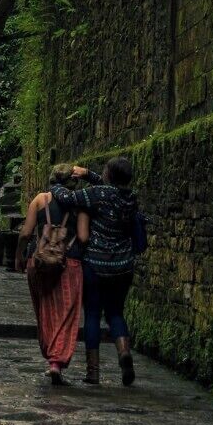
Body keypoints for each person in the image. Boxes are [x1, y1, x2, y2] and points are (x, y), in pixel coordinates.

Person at [49, 157, 139, 386]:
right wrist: (89, 173)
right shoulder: (130, 198)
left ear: (108, 175)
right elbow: (110, 187)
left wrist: (55, 184)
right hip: (123, 265)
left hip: (96, 264)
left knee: (91, 314)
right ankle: (123, 352)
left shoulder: (96, 195)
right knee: (116, 313)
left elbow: (68, 197)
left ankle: (93, 372)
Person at [15, 164, 90, 385]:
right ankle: (56, 361)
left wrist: (19, 256)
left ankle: (50, 353)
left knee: (44, 310)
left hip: (38, 262)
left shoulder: (40, 200)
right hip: (70, 263)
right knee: (67, 313)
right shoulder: (81, 204)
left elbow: (26, 233)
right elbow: (84, 237)